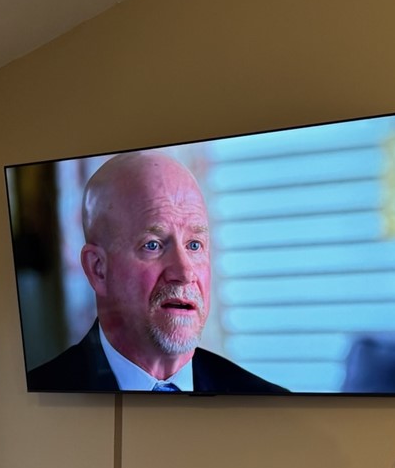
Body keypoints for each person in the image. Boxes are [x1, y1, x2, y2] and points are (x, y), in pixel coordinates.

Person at [26, 150, 288, 394]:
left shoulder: (267, 404)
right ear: (98, 269)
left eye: (194, 245)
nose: (185, 273)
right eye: (153, 245)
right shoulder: (38, 396)